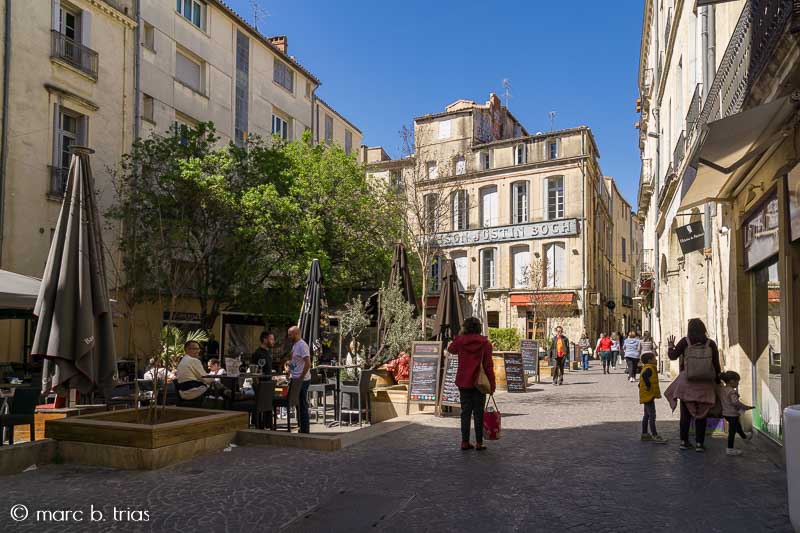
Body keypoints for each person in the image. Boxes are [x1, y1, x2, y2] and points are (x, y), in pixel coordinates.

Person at [664, 318, 722, 452]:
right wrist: (718, 381)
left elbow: (673, 356)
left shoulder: (685, 341)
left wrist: (671, 346)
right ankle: (699, 444)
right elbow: (716, 365)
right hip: (705, 383)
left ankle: (684, 441)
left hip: (687, 383)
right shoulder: (711, 344)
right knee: (702, 415)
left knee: (685, 414)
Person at [447, 317, 496, 451]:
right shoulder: (485, 343)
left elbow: (451, 349)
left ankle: (465, 441)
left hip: (464, 381)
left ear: (465, 327)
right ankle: (479, 442)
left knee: (465, 412)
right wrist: (492, 385)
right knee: (479, 413)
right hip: (479, 383)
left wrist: (460, 335)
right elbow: (488, 366)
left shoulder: (460, 341)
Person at [719, 370, 753, 456]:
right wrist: (745, 407)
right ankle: (730, 449)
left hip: (726, 413)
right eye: (737, 381)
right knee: (732, 431)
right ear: (732, 381)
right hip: (732, 414)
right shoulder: (732, 391)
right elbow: (735, 402)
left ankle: (745, 437)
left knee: (737, 426)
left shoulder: (723, 390)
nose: (738, 384)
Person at [287, 326, 312, 433]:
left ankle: (305, 429)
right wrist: (289, 371)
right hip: (296, 378)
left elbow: (308, 363)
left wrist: (301, 377)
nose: (288, 337)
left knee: (302, 403)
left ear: (296, 334)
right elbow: (294, 362)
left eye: (290, 334)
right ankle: (301, 426)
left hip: (302, 379)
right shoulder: (295, 346)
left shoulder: (302, 345)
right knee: (298, 404)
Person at [639, 353, 667, 443]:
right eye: (654, 358)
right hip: (649, 395)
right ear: (649, 361)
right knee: (652, 415)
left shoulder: (646, 367)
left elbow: (641, 380)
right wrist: (648, 385)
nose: (656, 360)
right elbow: (645, 377)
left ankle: (644, 433)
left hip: (647, 395)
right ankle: (655, 435)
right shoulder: (649, 368)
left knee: (646, 415)